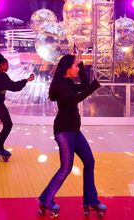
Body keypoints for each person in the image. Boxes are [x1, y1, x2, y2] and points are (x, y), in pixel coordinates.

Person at [38, 54, 106, 217]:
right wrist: (95, 86)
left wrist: (82, 66)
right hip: (64, 131)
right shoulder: (62, 85)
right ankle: (46, 199)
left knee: (89, 161)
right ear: (68, 69)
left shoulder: (68, 82)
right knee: (66, 168)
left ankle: (90, 200)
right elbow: (76, 98)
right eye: (75, 66)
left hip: (74, 130)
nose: (77, 68)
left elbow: (83, 85)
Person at [0, 53, 34, 160]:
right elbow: (14, 87)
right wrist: (27, 80)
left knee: (7, 125)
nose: (8, 67)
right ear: (1, 65)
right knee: (8, 125)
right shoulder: (2, 76)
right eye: (6, 65)